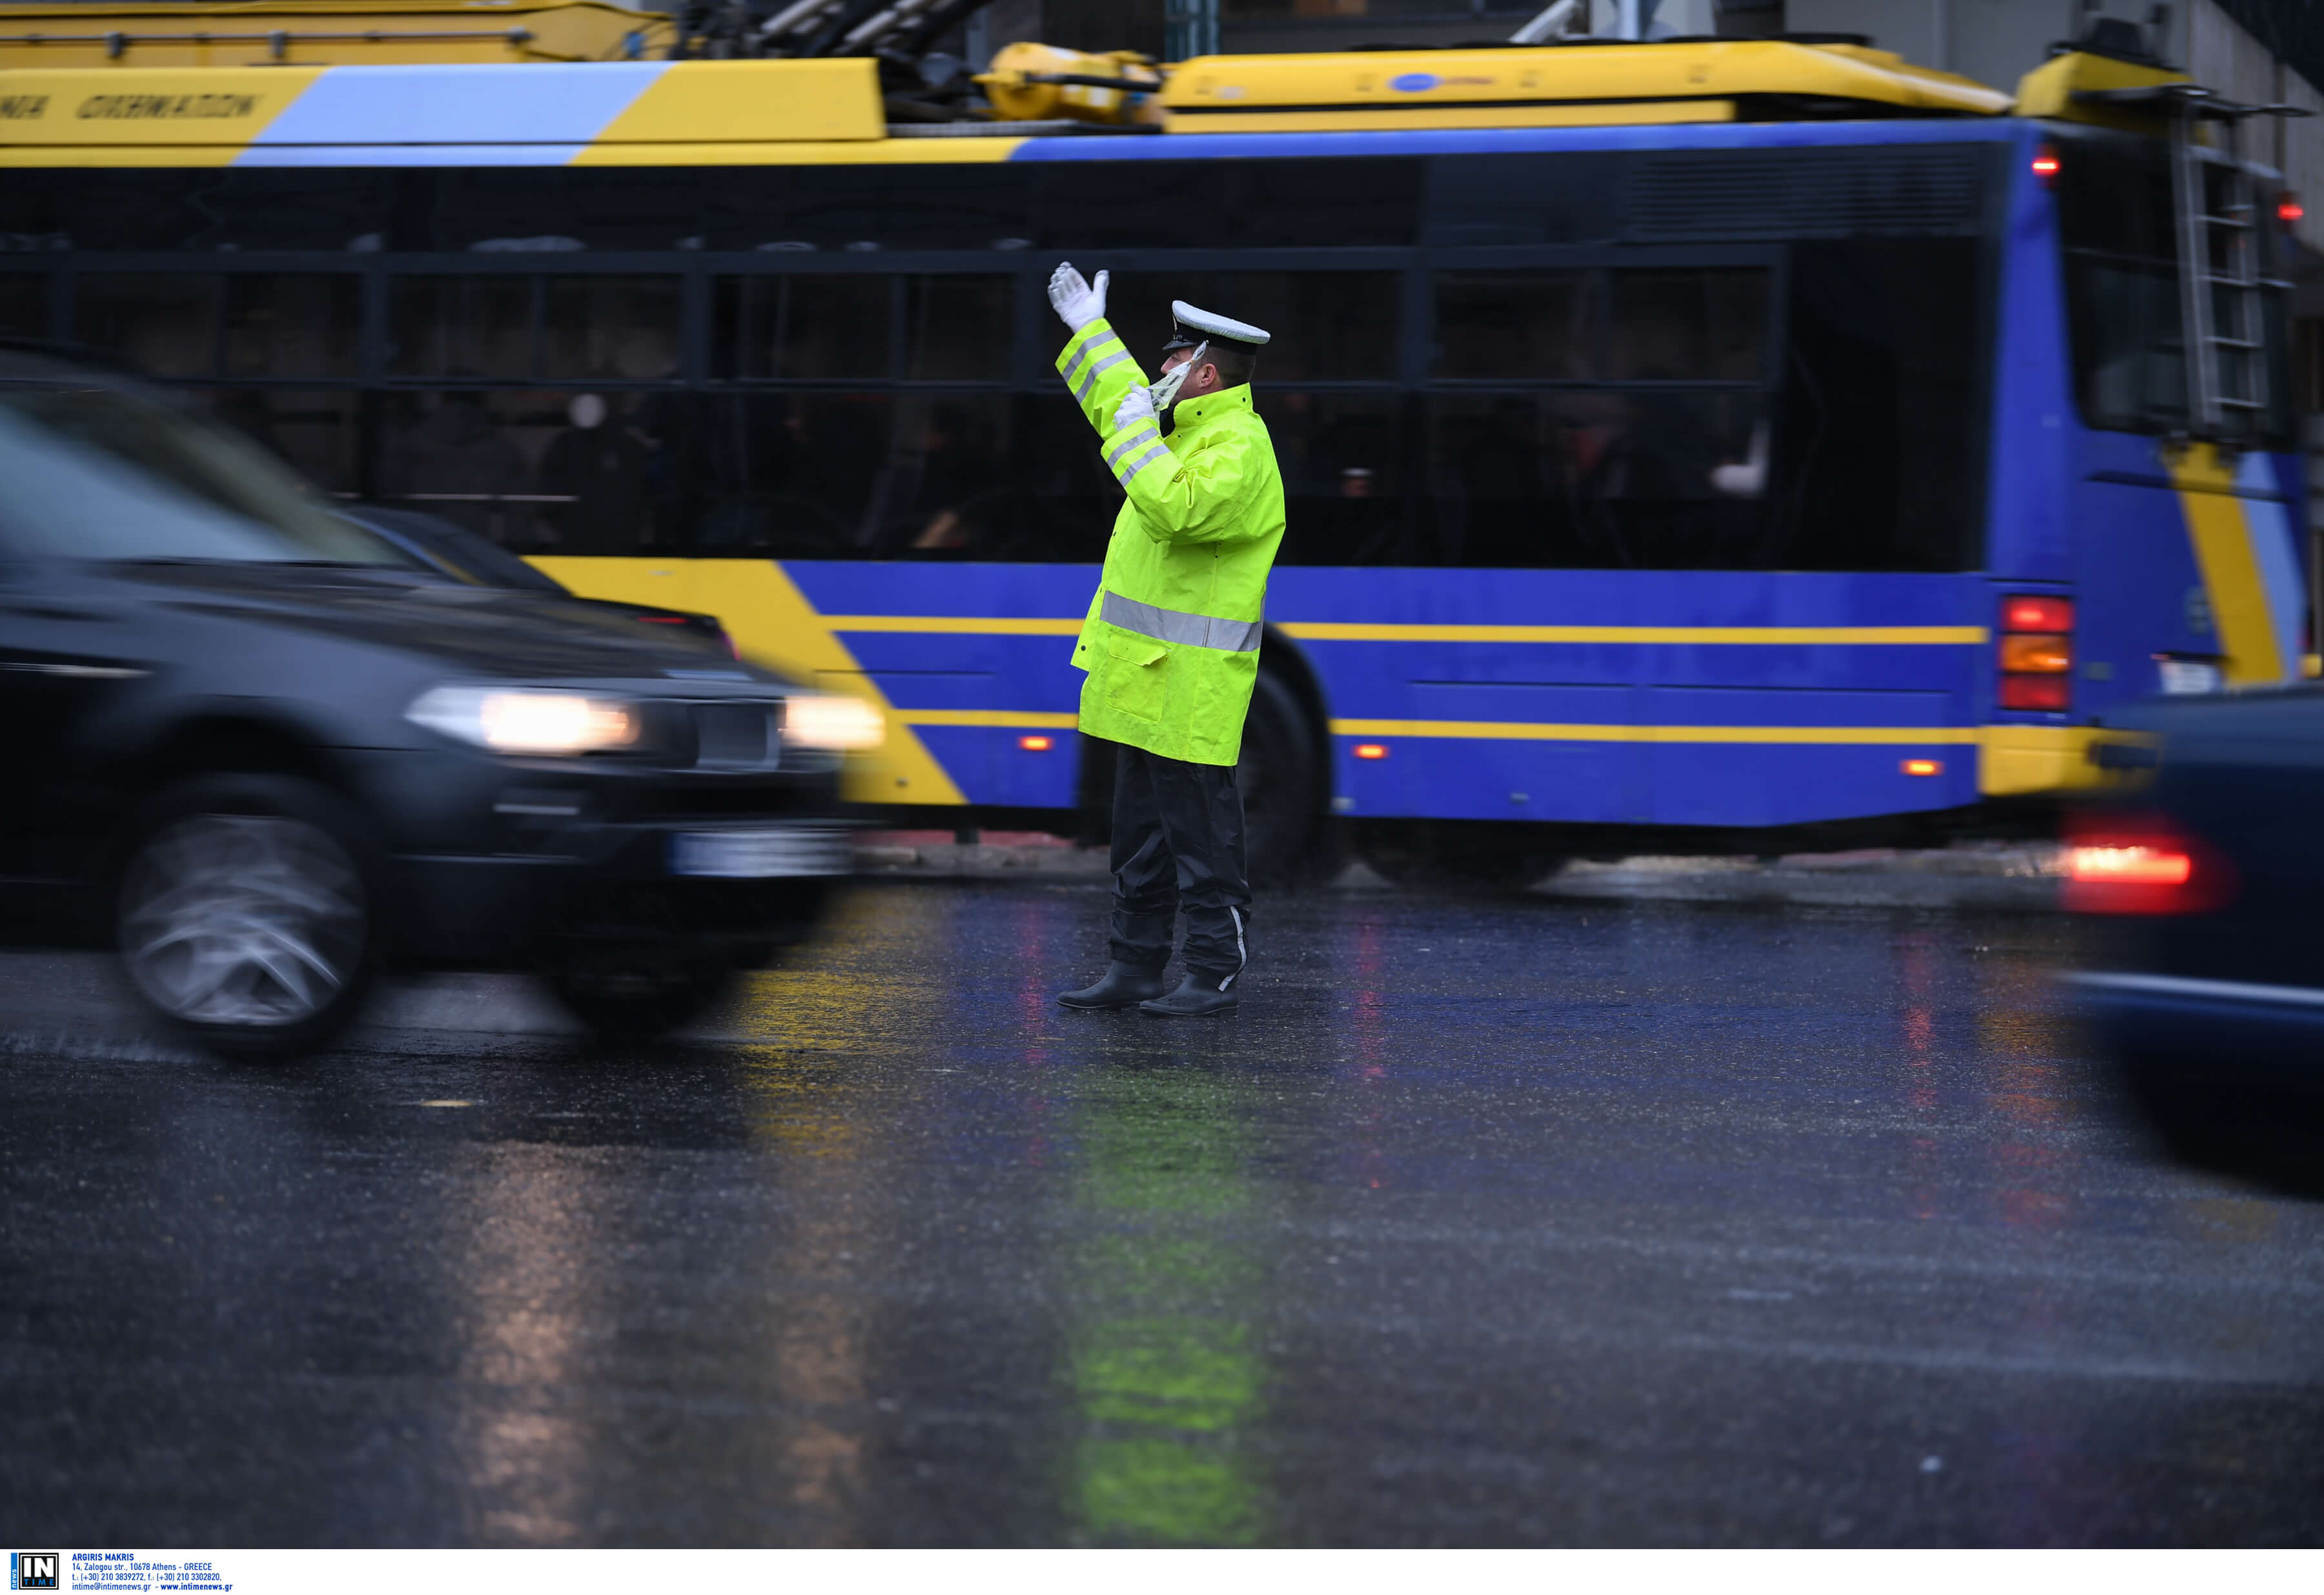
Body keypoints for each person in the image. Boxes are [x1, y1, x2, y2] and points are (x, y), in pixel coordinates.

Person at [1045, 263, 1287, 1019]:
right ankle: (1135, 965)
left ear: (1206, 373)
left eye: (1172, 361)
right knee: (1140, 842)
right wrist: (1091, 333)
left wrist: (1133, 438)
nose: (1160, 369)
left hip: (1191, 688)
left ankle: (1211, 973)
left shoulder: (1239, 447)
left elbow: (1174, 508)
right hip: (1146, 680)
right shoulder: (1185, 430)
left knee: (1203, 845)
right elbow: (1126, 413)